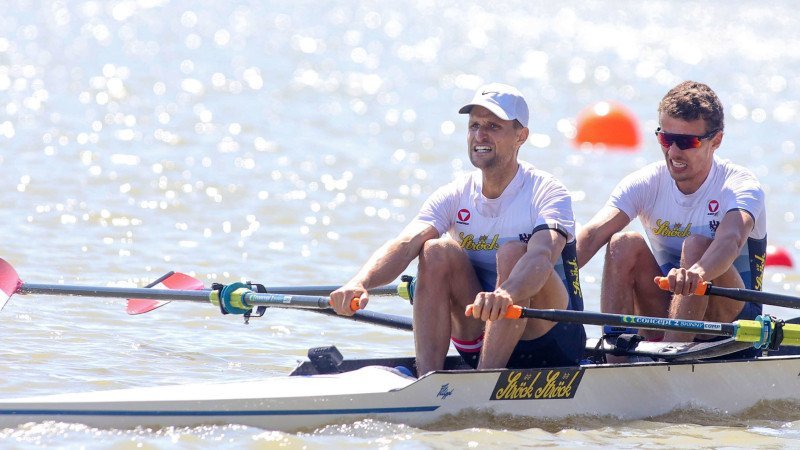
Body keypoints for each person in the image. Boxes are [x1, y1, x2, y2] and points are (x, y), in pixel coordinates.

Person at [330, 83, 586, 376]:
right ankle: (428, 380)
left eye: (493, 126)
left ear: (521, 136)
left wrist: (506, 293)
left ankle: (482, 383)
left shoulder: (547, 192)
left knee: (514, 253)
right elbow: (405, 243)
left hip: (551, 338)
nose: (480, 135)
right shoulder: (455, 194)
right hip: (480, 329)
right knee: (435, 250)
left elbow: (542, 255)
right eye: (474, 125)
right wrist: (359, 283)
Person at [576, 81, 767, 356]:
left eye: (687, 142)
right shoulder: (646, 183)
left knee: (697, 246)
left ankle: (668, 356)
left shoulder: (739, 186)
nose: (674, 152)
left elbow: (731, 240)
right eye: (666, 139)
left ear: (716, 141)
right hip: (668, 308)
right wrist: (549, 277)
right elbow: (592, 235)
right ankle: (614, 359)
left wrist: (696, 274)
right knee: (622, 243)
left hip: (734, 322)